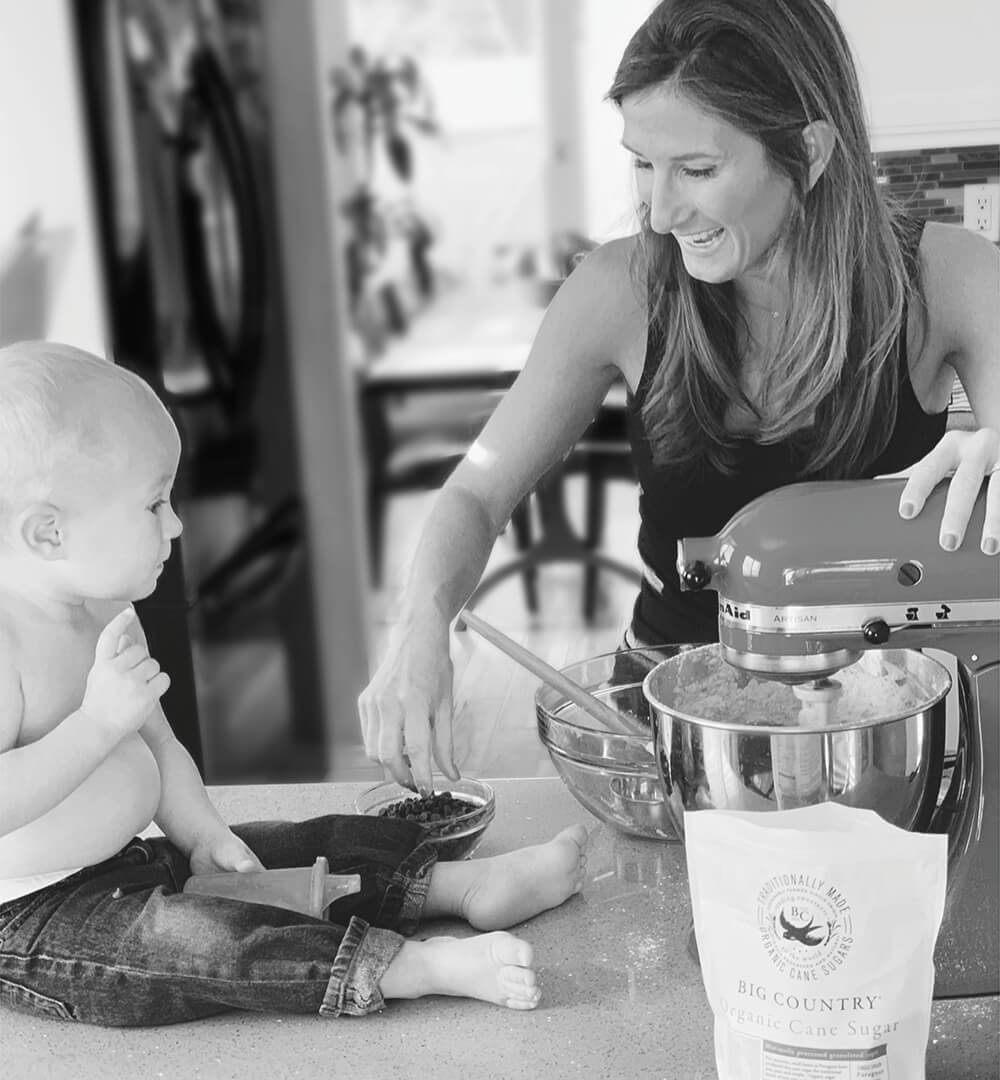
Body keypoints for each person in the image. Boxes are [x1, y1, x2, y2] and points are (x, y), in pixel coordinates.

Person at [359, 0, 999, 794]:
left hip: (883, 729)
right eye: (642, 164)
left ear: (810, 150)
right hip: (674, 719)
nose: (660, 213)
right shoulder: (617, 290)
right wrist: (420, 624)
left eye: (697, 170)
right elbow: (479, 490)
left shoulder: (953, 280)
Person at [0, 340, 587, 1028]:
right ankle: (405, 968)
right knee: (199, 941)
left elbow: (156, 740)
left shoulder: (108, 613)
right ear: (48, 534)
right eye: (154, 504)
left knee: (298, 842)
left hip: (137, 860)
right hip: (39, 919)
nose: (177, 524)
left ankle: (463, 885)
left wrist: (201, 832)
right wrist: (94, 726)